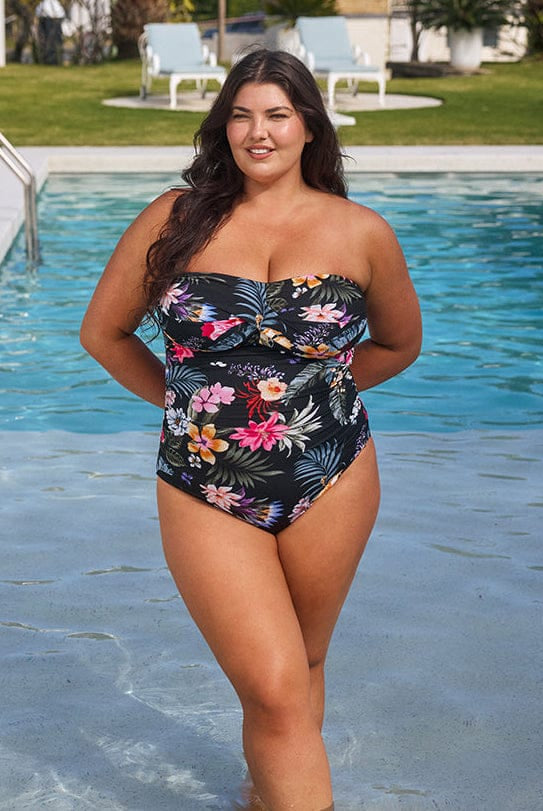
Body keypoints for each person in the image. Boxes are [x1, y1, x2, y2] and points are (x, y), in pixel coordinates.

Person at [80, 49, 422, 811]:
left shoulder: (360, 231)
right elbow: (104, 334)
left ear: (308, 126)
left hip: (332, 472)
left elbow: (398, 345)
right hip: (202, 480)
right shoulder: (173, 216)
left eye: (275, 114)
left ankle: (266, 794)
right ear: (222, 125)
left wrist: (302, 398)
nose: (256, 132)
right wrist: (190, 403)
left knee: (301, 662)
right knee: (271, 687)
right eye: (240, 114)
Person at [35, 0, 65, 65]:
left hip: (53, 21)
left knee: (53, 42)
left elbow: (60, 13)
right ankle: (46, 60)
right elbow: (38, 12)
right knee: (44, 42)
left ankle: (54, 61)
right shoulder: (43, 3)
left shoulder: (54, 3)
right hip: (44, 19)